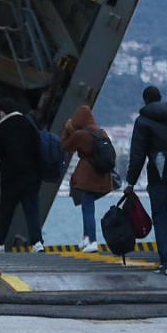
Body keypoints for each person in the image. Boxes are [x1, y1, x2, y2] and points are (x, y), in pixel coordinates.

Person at [126, 85, 167, 271]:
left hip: (157, 172)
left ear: (145, 101)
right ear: (160, 98)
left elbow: (137, 155)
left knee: (160, 214)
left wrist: (131, 182)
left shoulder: (142, 121)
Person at [0, 100, 44, 253]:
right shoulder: (28, 124)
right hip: (31, 177)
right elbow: (38, 147)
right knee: (32, 212)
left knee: (6, 212)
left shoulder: (0, 129)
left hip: (11, 179)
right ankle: (37, 243)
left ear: (2, 112)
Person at [60, 105, 114, 254]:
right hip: (103, 177)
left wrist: (67, 128)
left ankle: (92, 241)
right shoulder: (101, 132)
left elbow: (64, 145)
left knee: (88, 208)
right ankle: (86, 237)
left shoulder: (81, 135)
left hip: (88, 178)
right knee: (86, 205)